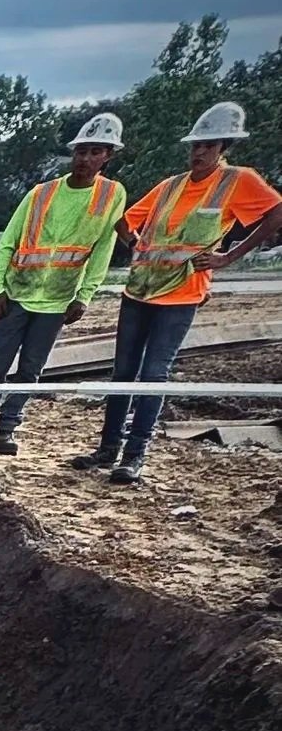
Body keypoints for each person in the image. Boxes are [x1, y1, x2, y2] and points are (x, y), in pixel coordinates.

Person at [76, 101, 282, 483]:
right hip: (140, 289)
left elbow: (276, 212)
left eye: (207, 146)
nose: (198, 152)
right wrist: (133, 243)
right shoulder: (170, 186)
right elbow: (126, 220)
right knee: (123, 372)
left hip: (181, 294)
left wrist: (230, 256)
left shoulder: (238, 181)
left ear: (224, 147)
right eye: (195, 146)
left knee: (155, 373)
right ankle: (108, 448)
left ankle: (134, 454)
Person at [0, 115, 126, 455]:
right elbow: (8, 241)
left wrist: (84, 295)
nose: (84, 159)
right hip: (17, 293)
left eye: (94, 152)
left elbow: (103, 249)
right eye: (81, 151)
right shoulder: (42, 194)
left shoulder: (111, 196)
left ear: (107, 156)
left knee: (31, 370)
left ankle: (5, 431)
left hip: (57, 300)